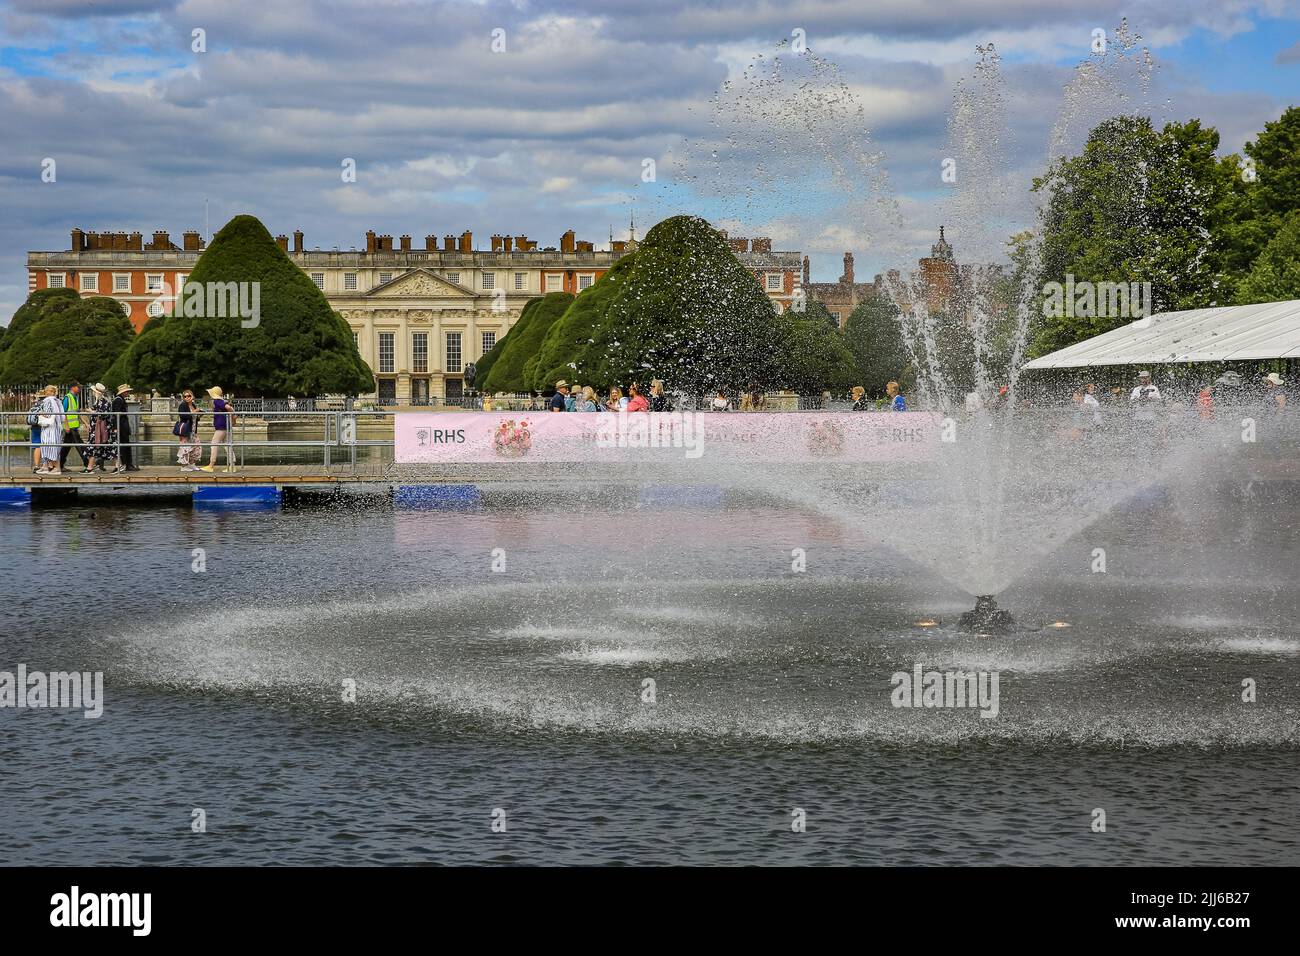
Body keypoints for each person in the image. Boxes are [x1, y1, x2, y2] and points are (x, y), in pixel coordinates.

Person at [200, 386, 237, 472]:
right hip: (225, 425)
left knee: (214, 444)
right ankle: (232, 465)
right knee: (227, 445)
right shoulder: (222, 401)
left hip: (221, 426)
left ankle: (211, 465)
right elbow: (228, 408)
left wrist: (233, 415)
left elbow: (228, 408)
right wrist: (233, 417)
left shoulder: (217, 401)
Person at [82, 383, 116, 473]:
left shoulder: (104, 402)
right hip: (98, 428)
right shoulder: (100, 401)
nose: (92, 393)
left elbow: (103, 415)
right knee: (97, 446)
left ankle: (90, 467)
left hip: (100, 429)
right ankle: (90, 467)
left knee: (99, 446)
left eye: (93, 392)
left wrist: (91, 411)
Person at [35, 385, 65, 475]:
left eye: (48, 391)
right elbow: (62, 415)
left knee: (50, 446)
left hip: (50, 427)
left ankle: (56, 468)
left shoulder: (49, 400)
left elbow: (49, 414)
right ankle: (45, 466)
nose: (46, 392)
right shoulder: (57, 401)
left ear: (51, 392)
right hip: (54, 426)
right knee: (48, 446)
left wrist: (41, 414)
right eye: (46, 391)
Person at [59, 383, 89, 471]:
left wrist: (85, 423)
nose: (79, 389)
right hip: (70, 427)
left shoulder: (75, 398)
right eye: (78, 387)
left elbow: (76, 413)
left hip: (74, 427)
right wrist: (66, 426)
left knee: (66, 447)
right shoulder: (67, 398)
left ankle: (60, 465)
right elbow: (62, 413)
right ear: (72, 388)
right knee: (80, 445)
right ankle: (88, 464)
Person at [111, 383, 138, 472]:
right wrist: (116, 427)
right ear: (123, 392)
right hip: (121, 426)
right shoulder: (118, 400)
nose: (128, 393)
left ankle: (128, 464)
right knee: (124, 445)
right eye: (127, 391)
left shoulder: (120, 399)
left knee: (126, 445)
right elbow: (116, 415)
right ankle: (127, 464)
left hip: (122, 425)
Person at [176, 390, 203, 470]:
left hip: (193, 430)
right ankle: (184, 466)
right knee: (185, 448)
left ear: (192, 396)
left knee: (196, 447)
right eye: (185, 396)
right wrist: (195, 412)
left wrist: (199, 414)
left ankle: (191, 464)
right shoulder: (182, 405)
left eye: (189, 396)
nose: (187, 398)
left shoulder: (193, 405)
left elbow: (195, 417)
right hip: (186, 430)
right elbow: (183, 416)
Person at [26, 390, 43, 473]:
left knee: (37, 446)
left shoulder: (34, 406)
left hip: (34, 427)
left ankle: (36, 465)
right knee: (46, 445)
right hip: (42, 427)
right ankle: (46, 465)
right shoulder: (46, 404)